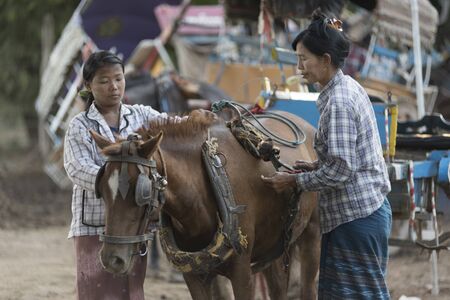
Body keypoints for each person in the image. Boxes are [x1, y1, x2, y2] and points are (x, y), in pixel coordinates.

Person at [261, 11, 392, 299]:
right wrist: (315, 166)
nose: (299, 67)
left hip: (356, 218)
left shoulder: (339, 102)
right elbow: (342, 159)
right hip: (356, 215)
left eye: (304, 58)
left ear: (325, 60)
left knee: (362, 294)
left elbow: (343, 171)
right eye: (297, 59)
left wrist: (295, 182)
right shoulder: (342, 89)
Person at [63, 50, 183, 299]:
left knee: (132, 289)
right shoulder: (80, 125)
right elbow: (77, 168)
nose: (113, 87)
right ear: (89, 85)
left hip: (131, 224)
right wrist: (120, 181)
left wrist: (200, 122)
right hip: (93, 224)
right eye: (104, 81)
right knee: (94, 289)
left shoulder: (141, 115)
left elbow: (175, 126)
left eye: (118, 79)